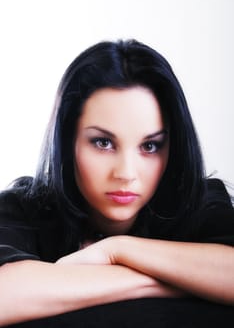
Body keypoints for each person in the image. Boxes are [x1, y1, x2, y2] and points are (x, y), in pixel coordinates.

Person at [0, 39, 234, 327]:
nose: (126, 172)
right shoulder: (25, 207)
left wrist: (117, 250)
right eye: (103, 142)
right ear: (68, 140)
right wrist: (174, 281)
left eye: (150, 146)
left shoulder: (201, 203)